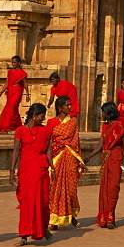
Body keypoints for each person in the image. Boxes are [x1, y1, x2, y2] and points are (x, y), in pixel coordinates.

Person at [10, 102, 53, 246]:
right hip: (27, 169)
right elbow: (16, 151)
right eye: (41, 116)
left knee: (42, 200)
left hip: (40, 168)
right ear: (33, 116)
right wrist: (12, 171)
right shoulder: (20, 131)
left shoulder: (46, 131)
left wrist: (53, 167)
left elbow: (48, 150)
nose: (43, 119)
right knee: (27, 202)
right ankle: (24, 235)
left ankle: (43, 227)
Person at [85, 101, 124, 229]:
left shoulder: (119, 125)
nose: (102, 114)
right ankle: (104, 217)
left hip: (116, 157)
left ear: (108, 112)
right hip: (105, 158)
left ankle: (111, 218)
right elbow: (100, 144)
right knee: (104, 188)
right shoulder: (105, 127)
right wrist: (89, 156)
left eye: (103, 112)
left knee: (113, 188)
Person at [47, 95, 83, 230]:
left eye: (70, 104)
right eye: (67, 105)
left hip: (70, 157)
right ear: (59, 108)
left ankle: (71, 215)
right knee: (54, 188)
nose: (70, 107)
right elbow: (49, 141)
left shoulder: (73, 122)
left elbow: (75, 142)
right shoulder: (51, 123)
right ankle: (54, 219)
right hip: (56, 157)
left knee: (71, 188)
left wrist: (80, 159)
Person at [0, 55, 30, 133]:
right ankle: (16, 125)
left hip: (17, 90)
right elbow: (7, 83)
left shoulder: (22, 73)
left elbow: (25, 84)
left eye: (15, 62)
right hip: (10, 90)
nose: (13, 64)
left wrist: (28, 94)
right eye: (12, 62)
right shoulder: (10, 72)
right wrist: (0, 92)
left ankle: (8, 126)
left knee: (12, 106)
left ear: (19, 63)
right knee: (10, 108)